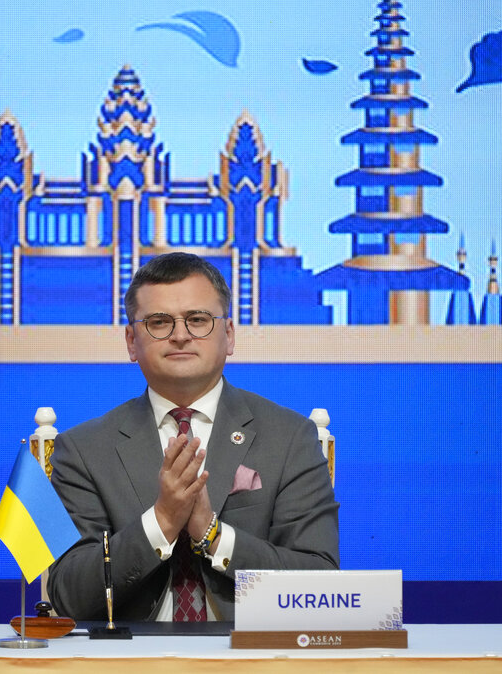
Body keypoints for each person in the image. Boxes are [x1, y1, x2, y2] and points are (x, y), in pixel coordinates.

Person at [46, 252, 339, 621]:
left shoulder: (289, 437)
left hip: (249, 655)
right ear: (131, 341)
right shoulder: (84, 450)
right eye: (159, 322)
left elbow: (321, 583)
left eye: (198, 320)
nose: (180, 335)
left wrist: (213, 534)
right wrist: (161, 522)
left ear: (229, 335)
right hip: (130, 658)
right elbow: (69, 595)